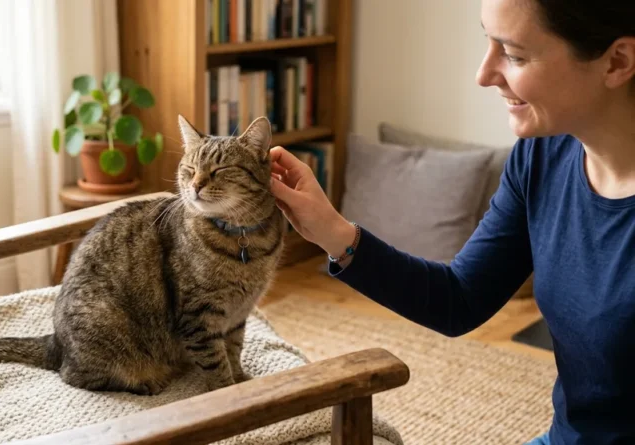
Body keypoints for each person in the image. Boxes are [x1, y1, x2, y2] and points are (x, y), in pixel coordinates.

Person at [268, 0, 635, 444]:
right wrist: (332, 231)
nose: (484, 74)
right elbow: (459, 299)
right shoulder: (542, 156)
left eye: (515, 55)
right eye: (489, 42)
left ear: (617, 62)